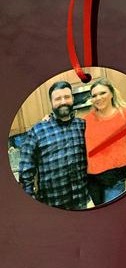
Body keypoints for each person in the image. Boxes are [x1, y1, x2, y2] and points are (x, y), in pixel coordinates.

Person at [18, 80, 88, 210]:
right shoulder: (37, 131)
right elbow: (26, 171)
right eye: (58, 99)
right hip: (52, 203)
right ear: (51, 102)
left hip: (80, 199)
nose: (63, 102)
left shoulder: (82, 125)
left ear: (72, 98)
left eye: (67, 97)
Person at [84, 78, 126, 206]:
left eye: (103, 93)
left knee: (111, 211)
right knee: (101, 211)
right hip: (93, 179)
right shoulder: (87, 120)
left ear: (112, 94)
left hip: (115, 177)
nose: (98, 98)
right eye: (94, 95)